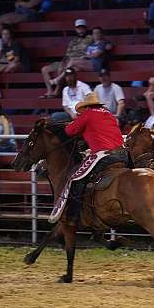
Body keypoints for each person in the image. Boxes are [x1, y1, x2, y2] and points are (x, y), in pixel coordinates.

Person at [63, 92, 126, 225]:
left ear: (86, 106)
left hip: (105, 156)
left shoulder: (88, 114)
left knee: (77, 178)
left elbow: (69, 131)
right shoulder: (109, 115)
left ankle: (73, 216)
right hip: (124, 155)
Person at [40, 19, 92, 98]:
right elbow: (67, 54)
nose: (80, 30)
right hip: (68, 61)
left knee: (64, 69)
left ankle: (56, 92)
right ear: (76, 29)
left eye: (82, 28)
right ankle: (49, 91)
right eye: (78, 28)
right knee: (45, 69)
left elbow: (100, 43)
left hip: (79, 63)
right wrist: (63, 62)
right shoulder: (74, 40)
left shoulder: (91, 38)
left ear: (86, 28)